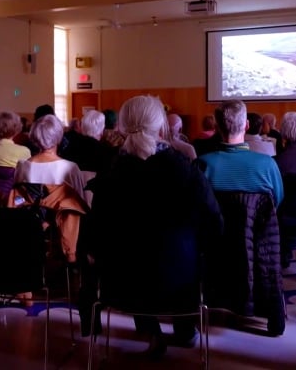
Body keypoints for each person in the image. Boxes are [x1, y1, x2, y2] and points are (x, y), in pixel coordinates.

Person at [86, 95, 223, 359]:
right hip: (179, 279)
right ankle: (184, 330)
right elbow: (214, 223)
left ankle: (151, 329)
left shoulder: (110, 175)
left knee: (135, 259)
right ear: (161, 126)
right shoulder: (185, 171)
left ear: (121, 127)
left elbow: (95, 233)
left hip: (121, 283)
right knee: (181, 254)